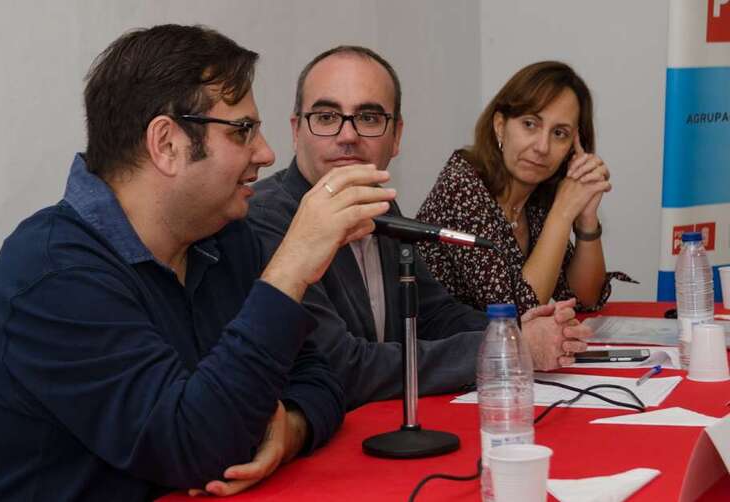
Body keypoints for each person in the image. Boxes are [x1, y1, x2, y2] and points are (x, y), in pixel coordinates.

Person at [0, 25, 397, 501]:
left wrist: (289, 429)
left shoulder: (225, 238)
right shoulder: (51, 275)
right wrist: (290, 266)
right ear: (167, 144)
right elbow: (192, 447)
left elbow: (319, 376)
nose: (266, 154)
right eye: (243, 130)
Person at [248, 47, 591, 411]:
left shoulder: (378, 204)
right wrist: (512, 347)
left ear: (396, 136)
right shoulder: (270, 218)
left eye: (368, 117)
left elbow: (435, 313)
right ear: (296, 130)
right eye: (327, 115)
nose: (347, 135)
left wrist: (512, 330)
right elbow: (343, 368)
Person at [417, 61, 634, 316]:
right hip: (437, 351)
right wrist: (563, 212)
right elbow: (516, 314)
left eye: (560, 133)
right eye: (530, 124)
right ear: (500, 126)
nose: (542, 147)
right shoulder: (461, 186)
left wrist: (586, 218)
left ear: (572, 149)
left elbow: (584, 298)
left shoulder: (536, 196)